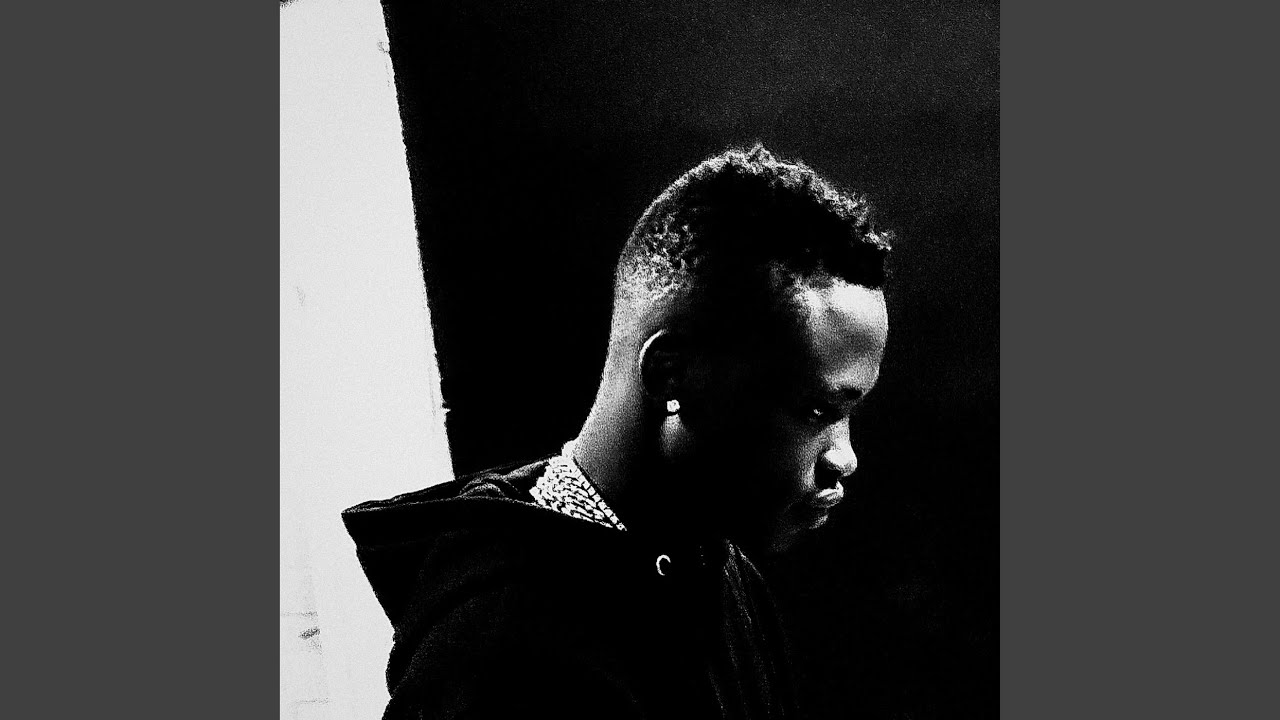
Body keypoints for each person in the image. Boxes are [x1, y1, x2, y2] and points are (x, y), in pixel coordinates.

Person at [343, 145, 892, 719]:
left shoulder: (723, 575)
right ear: (671, 375)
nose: (845, 457)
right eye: (818, 411)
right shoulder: (500, 665)